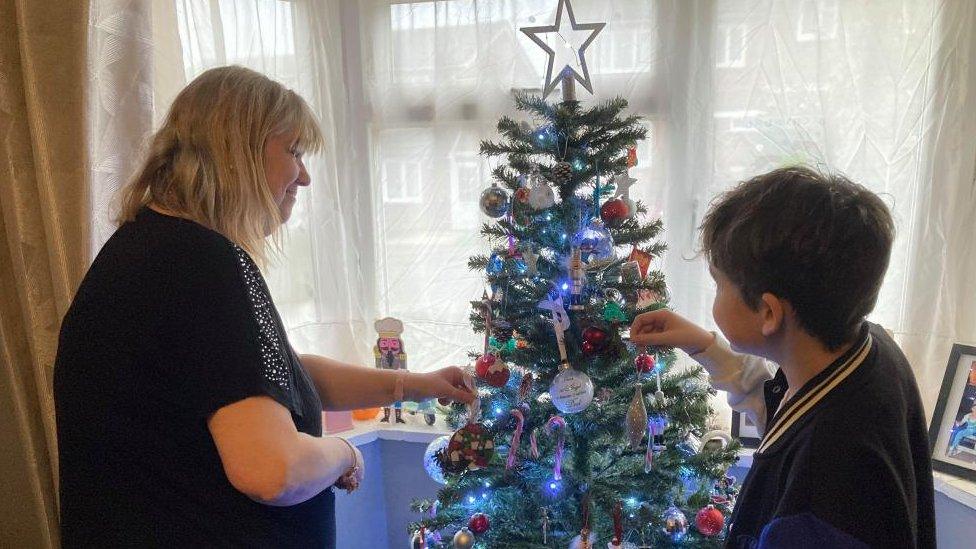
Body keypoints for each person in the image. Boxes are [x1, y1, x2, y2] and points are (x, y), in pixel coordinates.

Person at [54, 66, 475, 549]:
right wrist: (342, 454)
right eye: (293, 151)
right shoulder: (205, 264)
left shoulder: (151, 249)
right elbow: (272, 471)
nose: (305, 176)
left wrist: (414, 385)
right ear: (239, 151)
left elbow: (280, 376)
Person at [630, 166, 935, 548]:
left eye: (719, 284)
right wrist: (703, 346)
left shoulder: (819, 500)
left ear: (769, 313)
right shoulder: (865, 348)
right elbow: (786, 413)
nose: (716, 296)